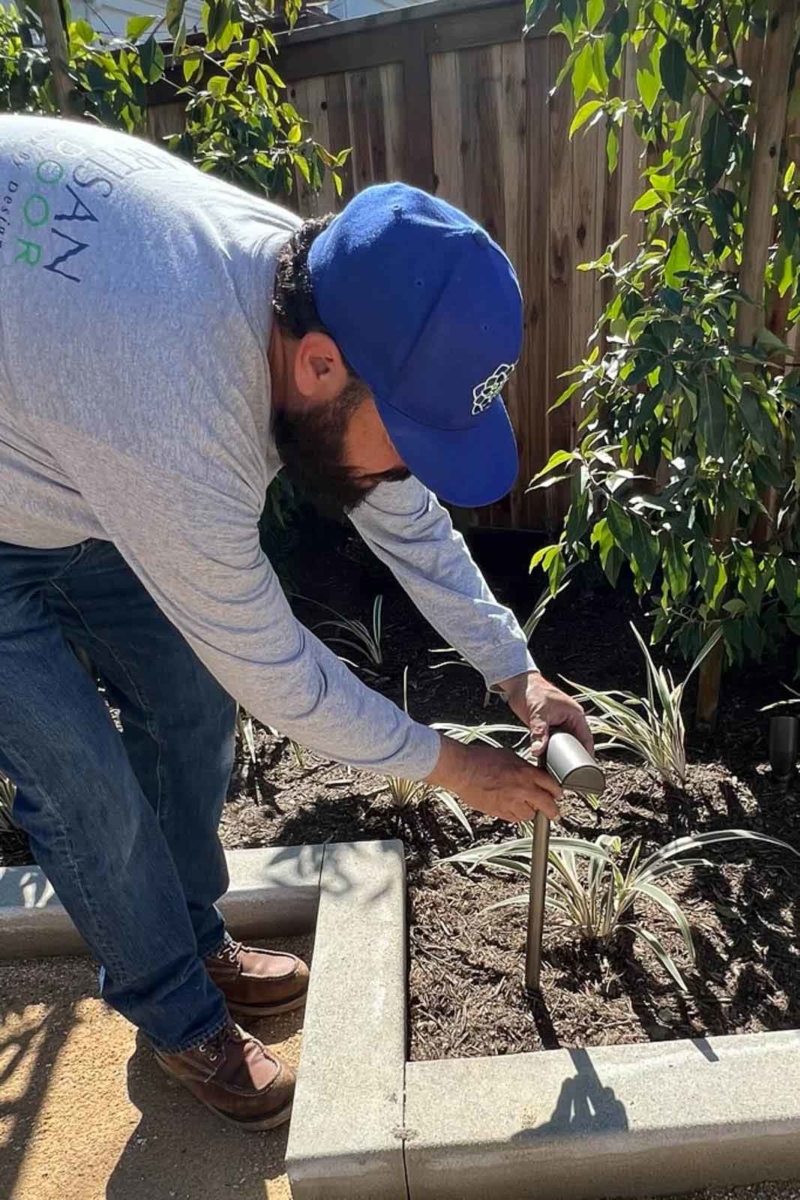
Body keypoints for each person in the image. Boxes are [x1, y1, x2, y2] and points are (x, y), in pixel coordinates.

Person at [0, 114, 591, 1130]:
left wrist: (513, 670)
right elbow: (274, 670)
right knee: (78, 779)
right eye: (403, 436)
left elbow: (391, 501)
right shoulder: (178, 411)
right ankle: (175, 1008)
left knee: (184, 710)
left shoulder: (319, 283)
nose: (404, 467)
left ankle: (190, 932)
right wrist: (454, 766)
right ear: (316, 365)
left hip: (57, 428)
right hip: (68, 441)